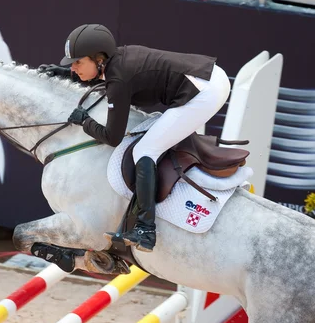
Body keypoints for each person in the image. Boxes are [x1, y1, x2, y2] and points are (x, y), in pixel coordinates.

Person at [55, 23, 231, 253]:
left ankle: (146, 230)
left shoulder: (118, 79)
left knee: (145, 150)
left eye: (77, 62)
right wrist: (61, 74)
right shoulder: (117, 62)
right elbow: (108, 82)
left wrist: (84, 121)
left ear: (99, 60)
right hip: (208, 78)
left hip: (204, 91)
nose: (73, 69)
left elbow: (112, 137)